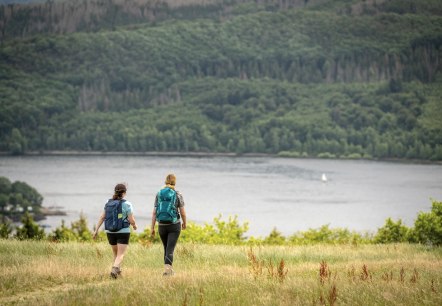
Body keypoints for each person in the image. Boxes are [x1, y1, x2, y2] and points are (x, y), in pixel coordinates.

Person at [93, 183, 137, 278]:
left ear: (115, 192)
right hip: (123, 231)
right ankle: (114, 269)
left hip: (110, 232)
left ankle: (118, 274)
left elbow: (102, 217)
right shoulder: (127, 204)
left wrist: (96, 230)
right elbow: (131, 220)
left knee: (116, 254)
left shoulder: (108, 203)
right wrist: (134, 225)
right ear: (124, 193)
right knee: (120, 255)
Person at [151, 174, 187, 276]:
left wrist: (152, 228)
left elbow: (154, 213)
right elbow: (183, 212)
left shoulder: (159, 194)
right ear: (175, 182)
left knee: (166, 248)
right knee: (170, 249)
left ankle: (169, 270)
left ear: (165, 182)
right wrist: (184, 223)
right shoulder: (177, 194)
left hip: (161, 225)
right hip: (174, 225)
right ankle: (167, 271)